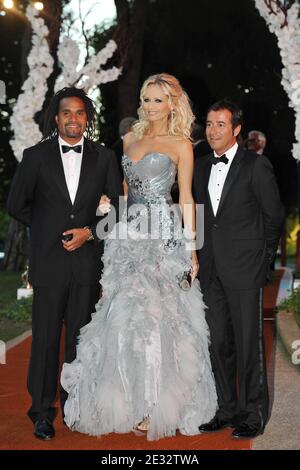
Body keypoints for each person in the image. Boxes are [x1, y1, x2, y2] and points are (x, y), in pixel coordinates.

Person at [61, 73, 217, 441]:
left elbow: (187, 199)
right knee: (123, 315)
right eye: (146, 99)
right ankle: (127, 399)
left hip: (163, 235)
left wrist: (192, 249)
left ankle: (154, 405)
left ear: (172, 103)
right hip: (128, 235)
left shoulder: (181, 144)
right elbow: (126, 194)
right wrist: (108, 207)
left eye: (158, 100)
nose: (150, 106)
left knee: (160, 318)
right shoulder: (130, 139)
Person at [7, 87, 123, 441]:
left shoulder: (104, 158)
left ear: (88, 118)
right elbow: (16, 204)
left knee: (80, 340)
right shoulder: (35, 156)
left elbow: (119, 209)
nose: (74, 119)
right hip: (49, 263)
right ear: (56, 118)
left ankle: (75, 406)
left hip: (87, 265)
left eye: (80, 113)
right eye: (67, 113)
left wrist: (89, 232)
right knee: (44, 341)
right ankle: (42, 412)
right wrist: (47, 231)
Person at [193, 100, 284, 439]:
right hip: (211, 268)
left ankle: (253, 413)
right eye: (209, 123)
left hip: (245, 268)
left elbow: (273, 217)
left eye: (220, 124)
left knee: (248, 344)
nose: (213, 130)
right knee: (217, 342)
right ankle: (225, 408)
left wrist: (263, 264)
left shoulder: (256, 166)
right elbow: (200, 218)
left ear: (236, 129)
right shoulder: (200, 167)